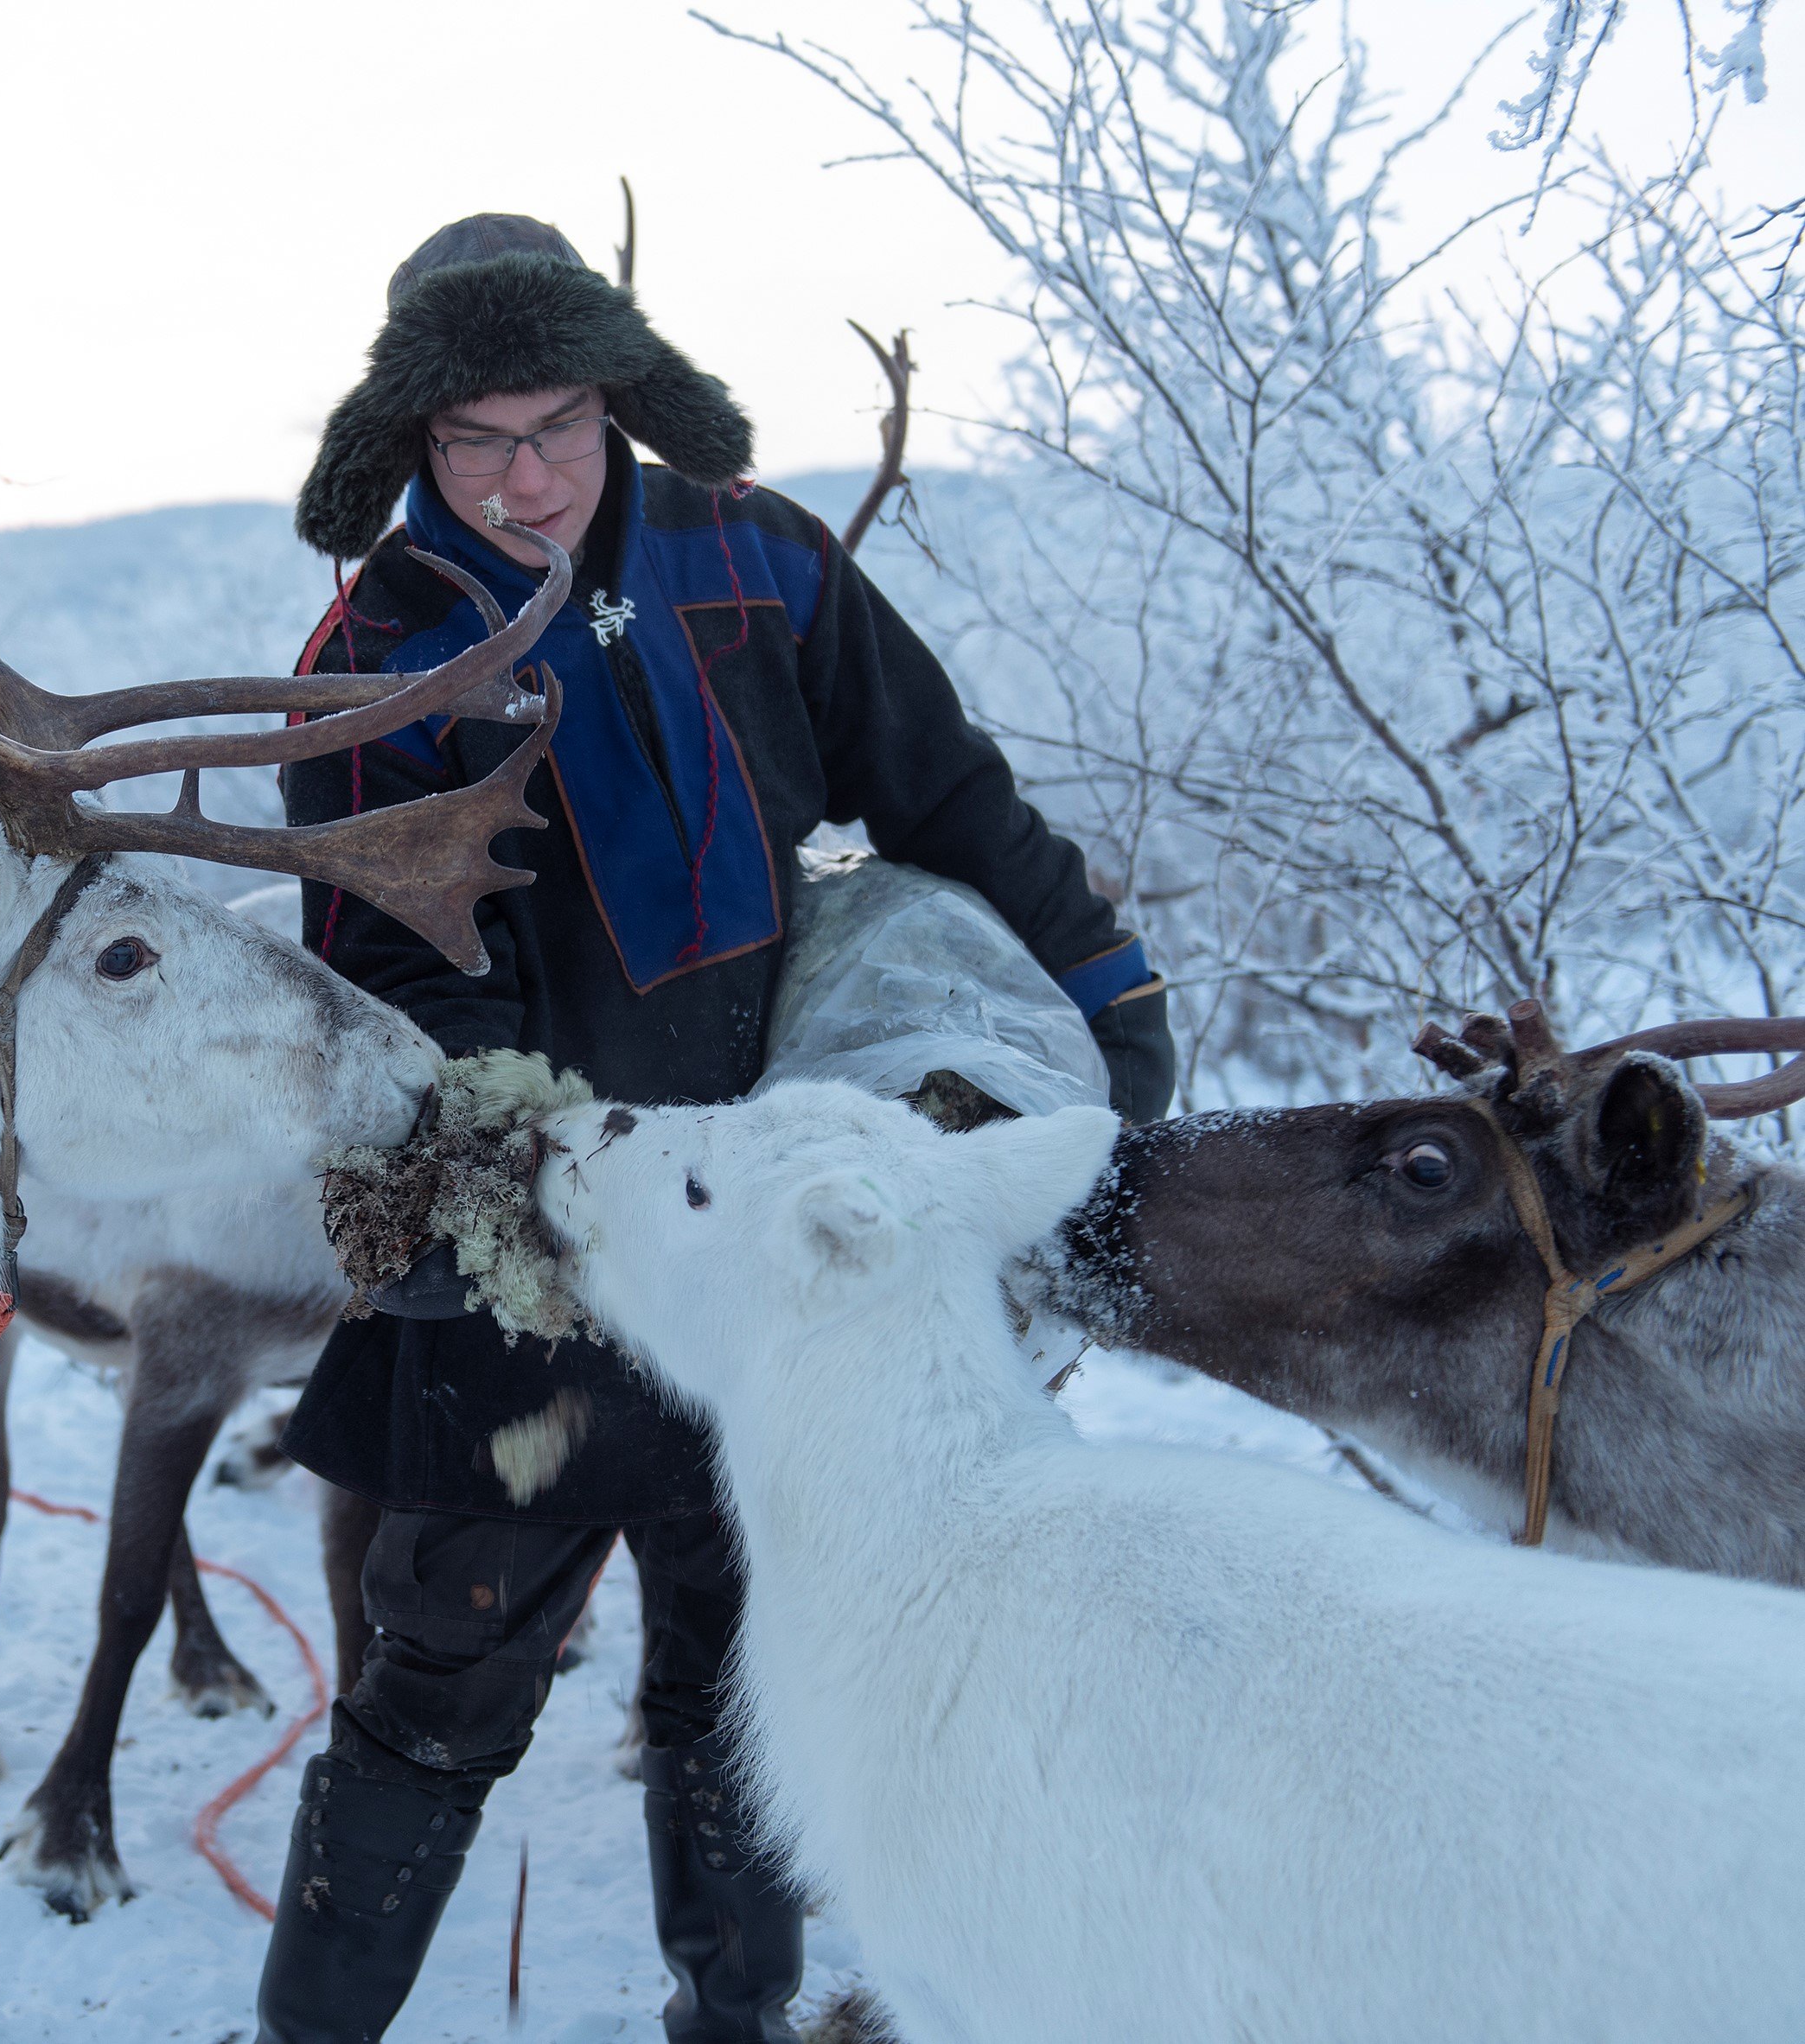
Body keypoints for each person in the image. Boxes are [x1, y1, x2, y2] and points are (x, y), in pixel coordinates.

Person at [257, 214, 1174, 2044]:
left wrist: (1097, 987)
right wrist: (540, 1184)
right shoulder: (373, 660)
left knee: (731, 1665)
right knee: (439, 1674)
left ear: (619, 402)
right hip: (531, 1243)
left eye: (562, 427)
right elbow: (393, 983)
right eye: (476, 441)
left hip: (765, 1238)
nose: (527, 477)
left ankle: (733, 2024)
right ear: (412, 439)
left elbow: (943, 793)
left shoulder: (750, 562)